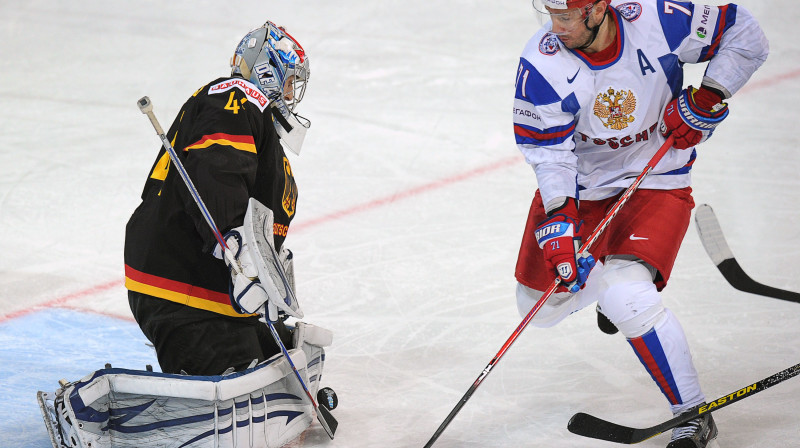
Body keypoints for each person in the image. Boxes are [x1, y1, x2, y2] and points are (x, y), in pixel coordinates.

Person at [513, 1, 768, 447]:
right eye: (549, 14)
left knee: (627, 294)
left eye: (565, 16)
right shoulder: (541, 64)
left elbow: (745, 33)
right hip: (584, 185)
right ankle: (606, 291)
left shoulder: (658, 18)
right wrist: (559, 216)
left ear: (596, 9)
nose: (555, 28)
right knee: (538, 305)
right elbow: (550, 154)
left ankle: (691, 412)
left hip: (658, 174)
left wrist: (710, 93)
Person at [125, 20, 312, 376]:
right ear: (266, 71)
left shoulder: (256, 119)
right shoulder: (235, 98)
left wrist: (269, 273)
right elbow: (217, 169)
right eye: (289, 82)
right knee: (238, 375)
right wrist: (236, 245)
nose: (290, 96)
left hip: (210, 290)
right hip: (181, 286)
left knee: (277, 356)